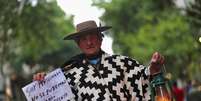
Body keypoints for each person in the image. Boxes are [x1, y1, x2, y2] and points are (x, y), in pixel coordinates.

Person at [33, 20, 164, 101]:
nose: (89, 42)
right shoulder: (69, 74)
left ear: (100, 39)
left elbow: (144, 77)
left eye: (92, 37)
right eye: (84, 39)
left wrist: (153, 68)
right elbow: (52, 96)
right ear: (78, 44)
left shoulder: (123, 63)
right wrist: (43, 83)